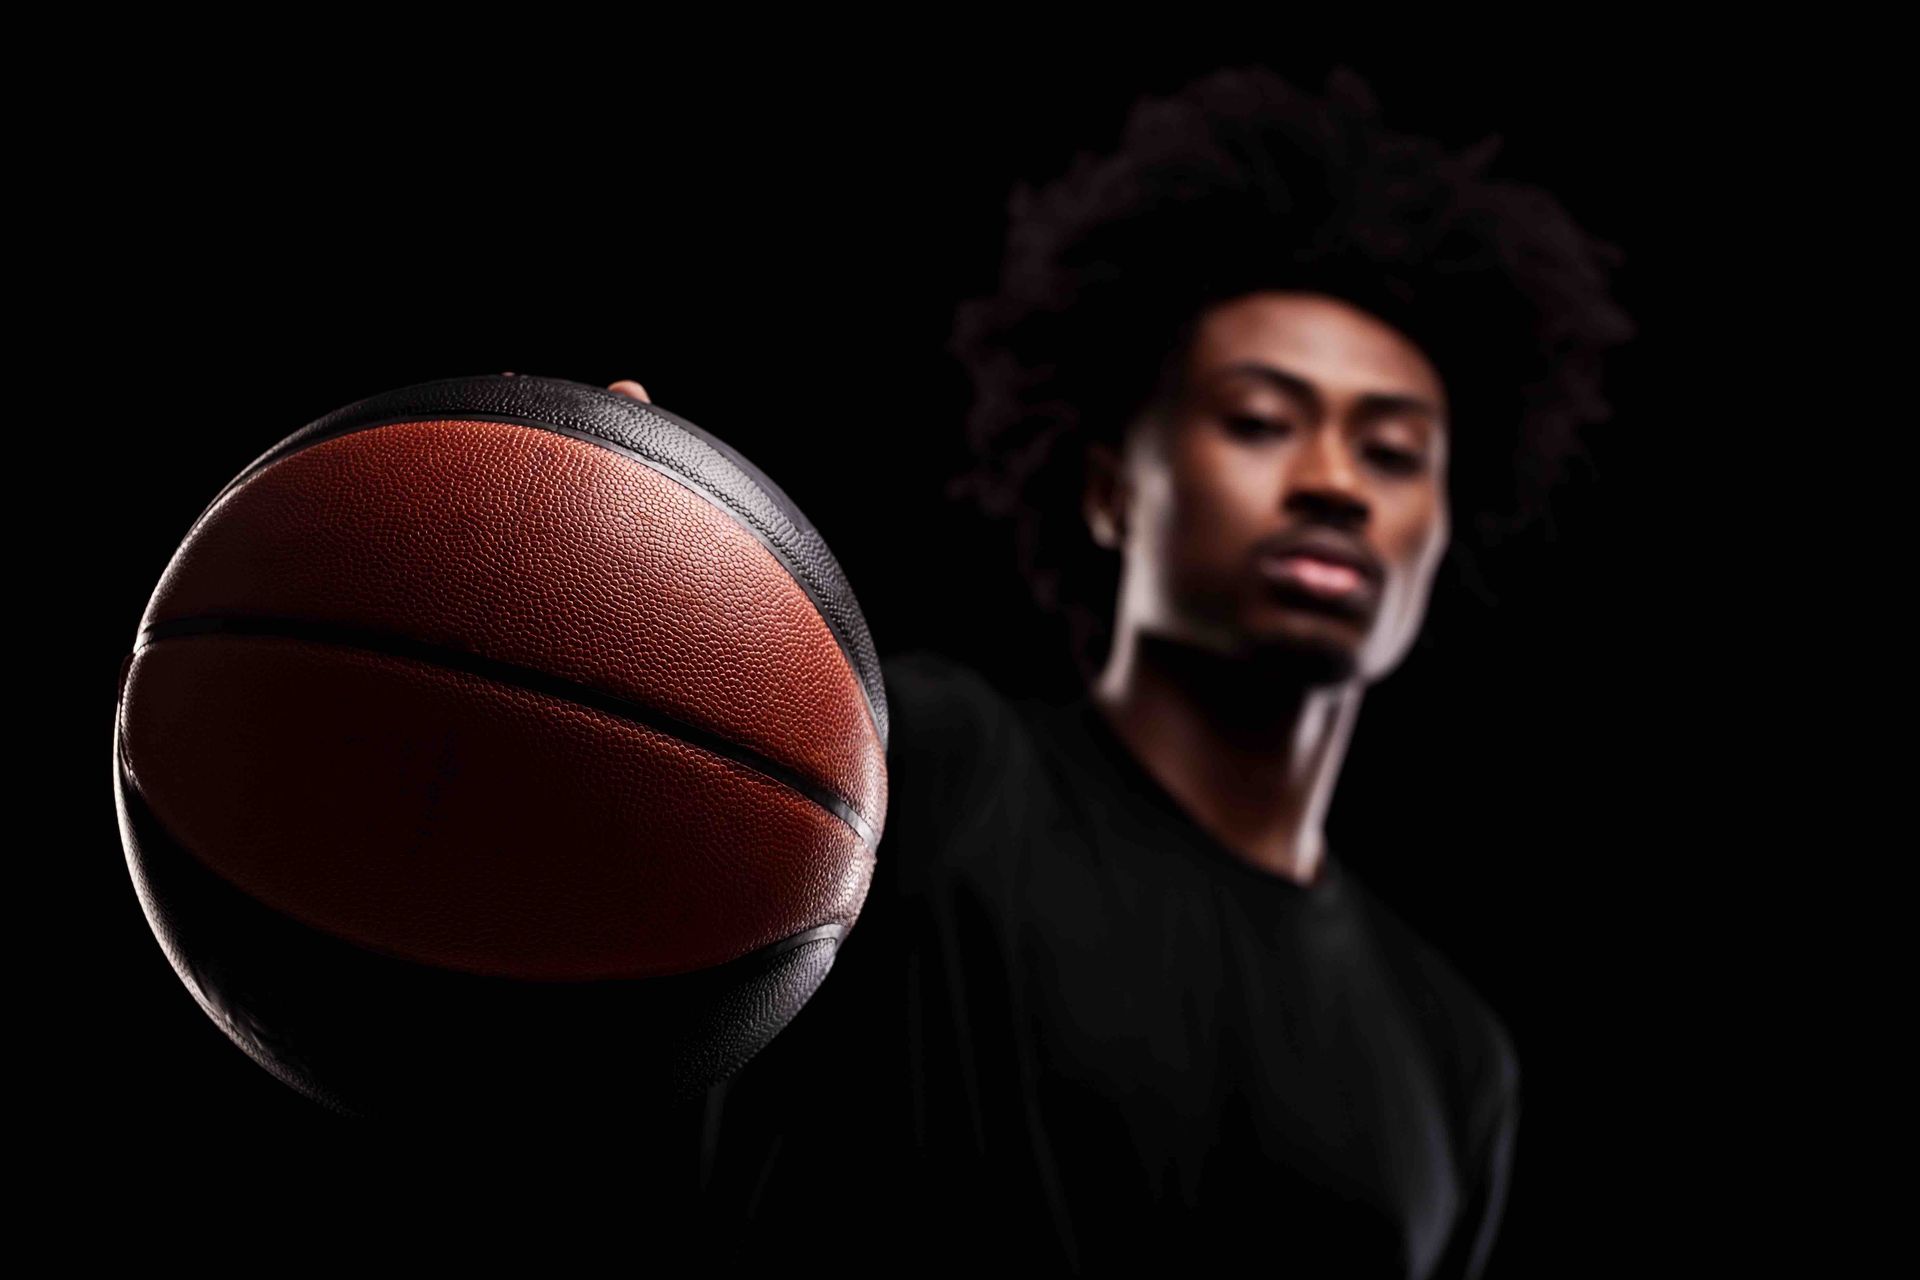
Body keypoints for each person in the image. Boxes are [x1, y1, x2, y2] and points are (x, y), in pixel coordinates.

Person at [610, 63, 1630, 1278]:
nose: (1335, 483)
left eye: (1396, 451)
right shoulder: (920, 770)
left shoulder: (1457, 1058)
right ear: (1108, 486)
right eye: (1260, 419)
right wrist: (633, 591)